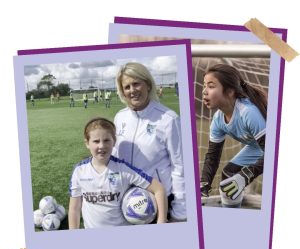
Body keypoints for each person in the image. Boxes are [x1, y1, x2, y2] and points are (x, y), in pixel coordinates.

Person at [114, 62, 186, 222]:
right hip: (127, 201)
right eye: (127, 87)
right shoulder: (119, 117)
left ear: (147, 84)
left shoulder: (168, 119)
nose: (132, 90)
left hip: (160, 202)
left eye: (136, 84)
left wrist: (179, 212)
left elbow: (180, 166)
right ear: (122, 92)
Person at [68, 117, 167, 229]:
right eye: (96, 141)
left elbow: (159, 189)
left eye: (106, 140)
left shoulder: (123, 169)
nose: (101, 146)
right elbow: (74, 209)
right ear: (87, 143)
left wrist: (161, 221)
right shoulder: (79, 171)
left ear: (114, 141)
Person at [200, 64, 267, 208]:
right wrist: (204, 183)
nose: (204, 91)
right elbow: (212, 157)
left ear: (230, 91)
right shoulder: (218, 120)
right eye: (204, 86)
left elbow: (274, 153)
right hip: (259, 147)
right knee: (229, 177)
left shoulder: (248, 113)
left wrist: (245, 176)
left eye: (211, 86)